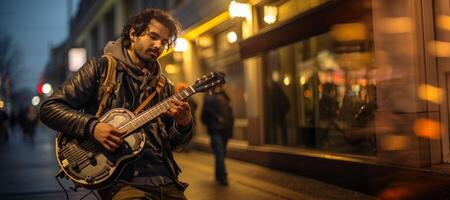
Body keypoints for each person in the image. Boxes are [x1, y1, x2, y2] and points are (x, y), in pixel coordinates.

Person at [40, 8, 193, 200]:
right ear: (133, 34)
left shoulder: (165, 87)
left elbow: (175, 145)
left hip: (166, 179)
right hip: (122, 182)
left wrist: (184, 124)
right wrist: (92, 127)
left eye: (164, 42)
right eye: (153, 36)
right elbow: (49, 108)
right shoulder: (101, 69)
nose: (158, 45)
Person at [201, 83, 234, 186]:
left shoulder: (224, 96)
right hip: (217, 130)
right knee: (220, 153)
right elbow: (204, 116)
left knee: (221, 153)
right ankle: (223, 177)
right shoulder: (211, 97)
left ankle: (218, 175)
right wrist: (214, 123)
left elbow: (230, 114)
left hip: (223, 130)